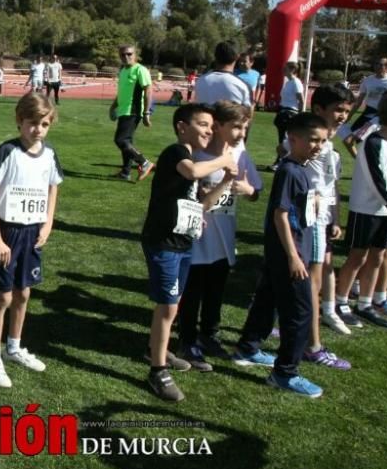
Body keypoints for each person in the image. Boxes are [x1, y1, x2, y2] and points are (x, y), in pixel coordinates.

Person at [140, 103, 237, 401]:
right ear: (183, 127)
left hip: (183, 242)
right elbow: (193, 171)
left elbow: (202, 203)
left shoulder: (191, 159)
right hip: (164, 243)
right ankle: (158, 371)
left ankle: (158, 349)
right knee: (168, 307)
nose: (210, 130)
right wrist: (223, 159)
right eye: (203, 124)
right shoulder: (176, 153)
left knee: (174, 304)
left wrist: (227, 180)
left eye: (211, 125)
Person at [232, 113, 331, 398]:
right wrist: (294, 257)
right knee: (300, 313)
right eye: (312, 140)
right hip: (289, 252)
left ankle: (247, 348)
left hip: (282, 250)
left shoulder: (298, 168)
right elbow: (280, 215)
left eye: (322, 141)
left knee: (268, 299)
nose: (318, 146)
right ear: (293, 139)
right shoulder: (290, 170)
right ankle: (285, 373)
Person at [0, 93, 62, 388]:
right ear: (19, 121)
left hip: (33, 232)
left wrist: (49, 222)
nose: (37, 129)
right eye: (32, 123)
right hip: (8, 232)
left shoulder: (50, 154)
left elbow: (53, 187)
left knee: (24, 293)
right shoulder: (8, 151)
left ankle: (13, 347)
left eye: (44, 124)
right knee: (3, 296)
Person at [177, 101, 261, 371]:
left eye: (245, 127)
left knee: (216, 291)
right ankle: (187, 340)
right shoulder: (198, 158)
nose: (241, 133)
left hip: (225, 239)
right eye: (236, 127)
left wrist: (248, 188)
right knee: (193, 292)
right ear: (218, 126)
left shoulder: (241, 157)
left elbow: (255, 193)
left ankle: (209, 335)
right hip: (198, 239)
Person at [287, 85, 353, 370]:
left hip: (322, 221)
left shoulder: (330, 149)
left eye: (347, 111)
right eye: (338, 110)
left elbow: (331, 188)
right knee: (310, 285)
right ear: (318, 110)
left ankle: (294, 330)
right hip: (310, 221)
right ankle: (312, 346)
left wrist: (335, 219)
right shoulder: (313, 146)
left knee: (313, 279)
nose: (342, 116)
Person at [333, 90, 387, 330]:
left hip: (386, 212)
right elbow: (376, 179)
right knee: (358, 256)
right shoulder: (373, 142)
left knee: (377, 257)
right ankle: (339, 302)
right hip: (366, 209)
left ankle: (365, 304)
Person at [110, 44, 154, 182]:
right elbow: (122, 92)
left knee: (120, 140)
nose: (126, 57)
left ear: (135, 55)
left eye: (129, 54)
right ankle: (125, 172)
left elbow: (148, 91)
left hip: (133, 111)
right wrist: (113, 107)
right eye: (123, 55)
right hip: (123, 110)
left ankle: (144, 163)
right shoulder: (123, 70)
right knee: (127, 142)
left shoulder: (140, 70)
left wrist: (146, 113)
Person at [341, 58, 387, 157]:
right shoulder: (367, 80)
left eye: (380, 64)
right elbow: (359, 101)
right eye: (376, 63)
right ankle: (360, 160)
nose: (377, 66)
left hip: (386, 114)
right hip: (369, 112)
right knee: (349, 139)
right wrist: (349, 116)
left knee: (383, 140)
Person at [194, 41, 252, 108]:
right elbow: (248, 116)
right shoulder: (243, 85)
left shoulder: (200, 81)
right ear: (237, 57)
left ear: (215, 56)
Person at [270, 62, 304, 171]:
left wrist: (300, 114)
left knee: (285, 139)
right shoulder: (288, 83)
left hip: (290, 113)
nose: (283, 70)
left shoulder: (296, 82)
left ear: (292, 69)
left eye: (285, 68)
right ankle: (281, 161)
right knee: (282, 138)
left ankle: (281, 162)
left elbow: (301, 100)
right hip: (283, 111)